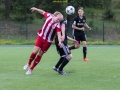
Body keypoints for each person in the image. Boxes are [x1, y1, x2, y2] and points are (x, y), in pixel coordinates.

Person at [23, 7, 63, 75]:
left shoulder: (57, 25)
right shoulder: (49, 16)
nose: (58, 21)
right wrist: (35, 9)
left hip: (47, 42)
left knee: (40, 54)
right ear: (56, 16)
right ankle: (28, 64)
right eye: (58, 19)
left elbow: (59, 34)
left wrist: (60, 42)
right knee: (35, 51)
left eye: (59, 20)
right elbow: (42, 12)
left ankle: (31, 69)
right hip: (40, 37)